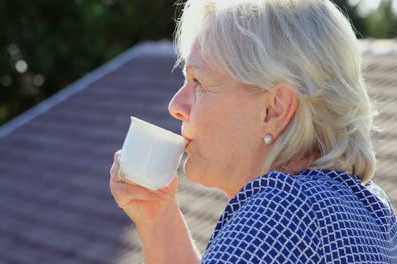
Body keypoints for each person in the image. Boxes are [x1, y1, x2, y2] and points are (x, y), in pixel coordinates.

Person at [109, 0, 397, 263]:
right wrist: (158, 219)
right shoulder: (374, 209)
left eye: (199, 82)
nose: (176, 105)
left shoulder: (280, 212)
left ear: (273, 109)